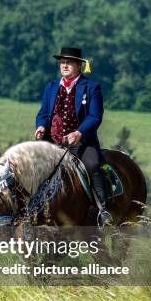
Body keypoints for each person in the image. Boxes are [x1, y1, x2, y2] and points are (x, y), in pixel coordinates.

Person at [35, 46, 112, 225]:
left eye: (69, 62)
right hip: (52, 142)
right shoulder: (51, 86)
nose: (65, 65)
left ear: (79, 65)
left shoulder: (92, 87)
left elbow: (95, 115)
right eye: (62, 62)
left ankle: (103, 209)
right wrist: (40, 126)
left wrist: (79, 132)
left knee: (93, 165)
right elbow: (44, 112)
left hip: (81, 142)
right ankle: (29, 210)